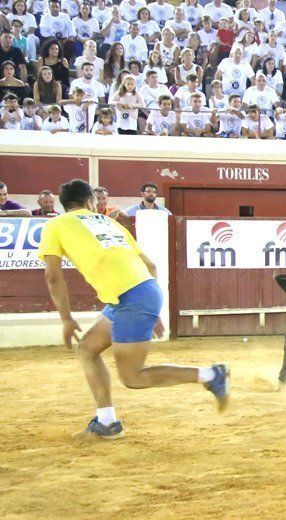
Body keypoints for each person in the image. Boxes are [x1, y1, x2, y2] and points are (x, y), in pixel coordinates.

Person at [38, 179, 229, 440]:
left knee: (133, 377)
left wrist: (66, 319)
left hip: (131, 298)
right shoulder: (109, 223)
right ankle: (107, 422)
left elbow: (52, 276)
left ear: (65, 205)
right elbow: (150, 266)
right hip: (134, 295)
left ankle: (211, 375)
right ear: (89, 202)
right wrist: (153, 310)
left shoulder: (55, 225)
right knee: (88, 349)